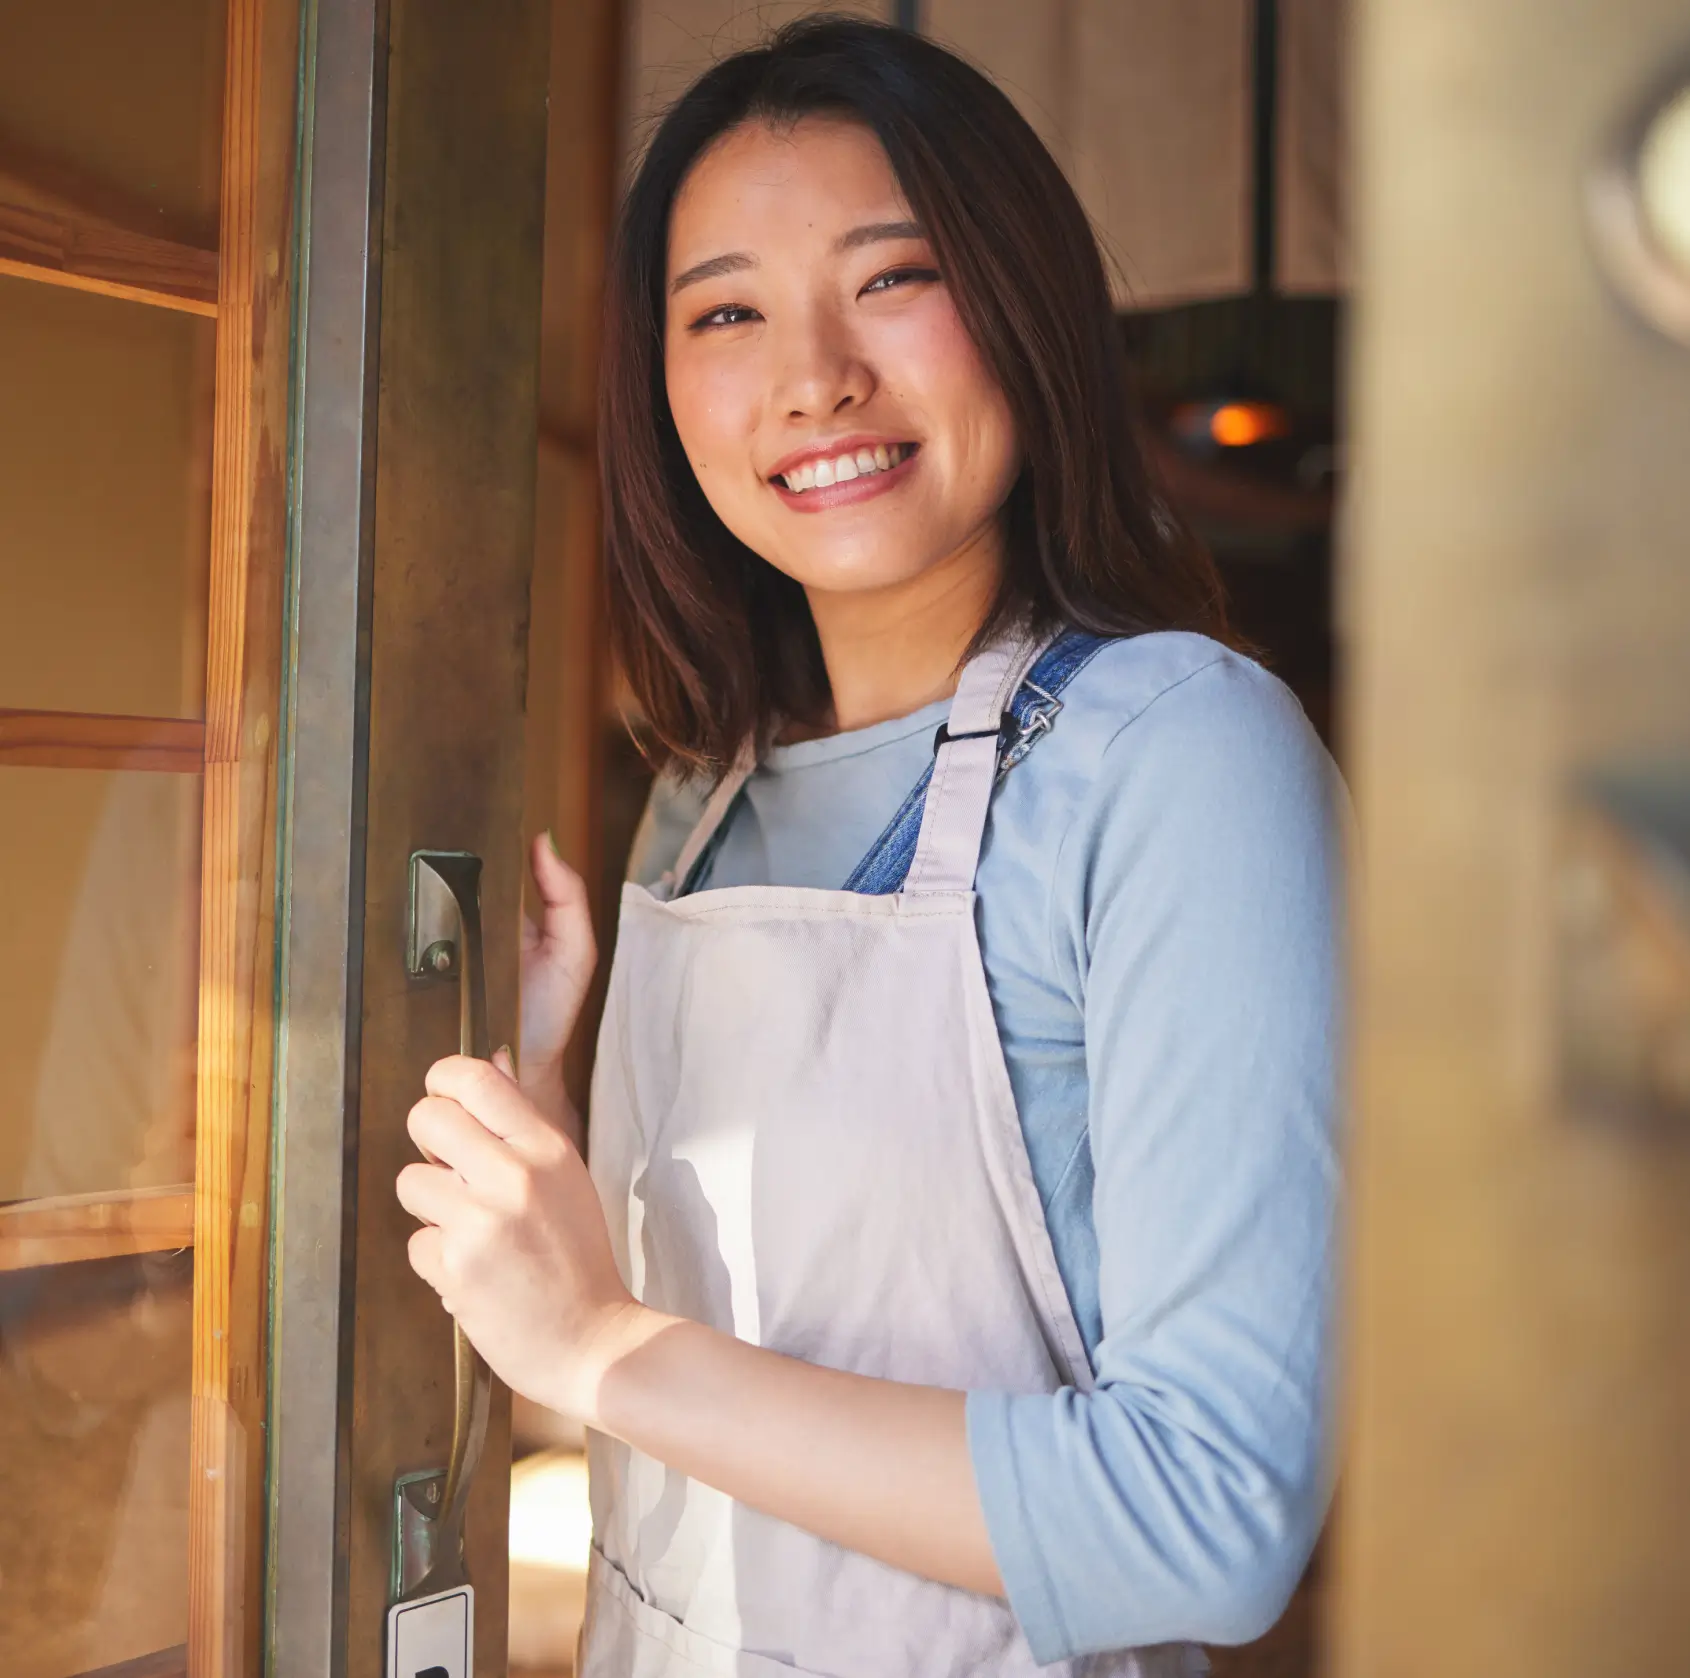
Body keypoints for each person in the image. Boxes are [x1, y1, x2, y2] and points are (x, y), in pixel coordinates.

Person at [396, 17, 1344, 1676]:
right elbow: (745, 1376)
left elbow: (1209, 1514)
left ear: (1024, 302)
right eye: (726, 312)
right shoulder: (699, 796)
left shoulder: (1178, 754)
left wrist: (601, 1340)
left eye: (890, 278)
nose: (812, 373)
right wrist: (557, 1139)